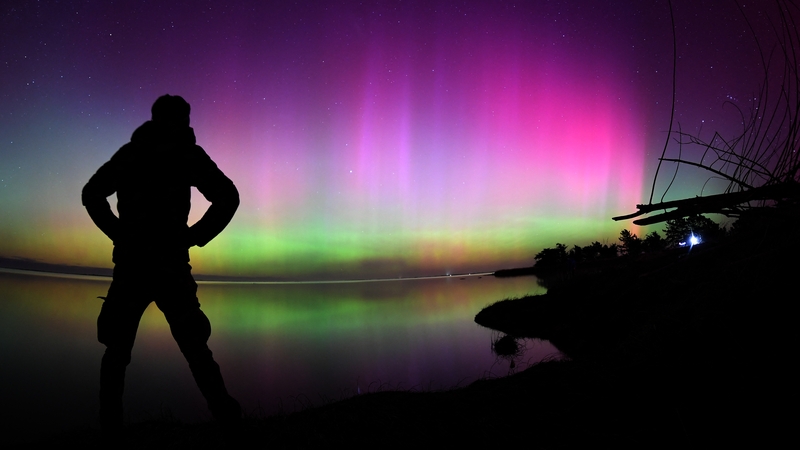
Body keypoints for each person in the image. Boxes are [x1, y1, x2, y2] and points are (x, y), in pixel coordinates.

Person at [82, 94, 241, 431]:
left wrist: (119, 232)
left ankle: (110, 429)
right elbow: (228, 196)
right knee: (187, 349)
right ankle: (228, 419)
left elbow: (92, 192)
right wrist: (192, 236)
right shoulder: (182, 154)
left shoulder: (138, 154)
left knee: (121, 353)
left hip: (141, 266)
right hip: (157, 266)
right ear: (181, 120)